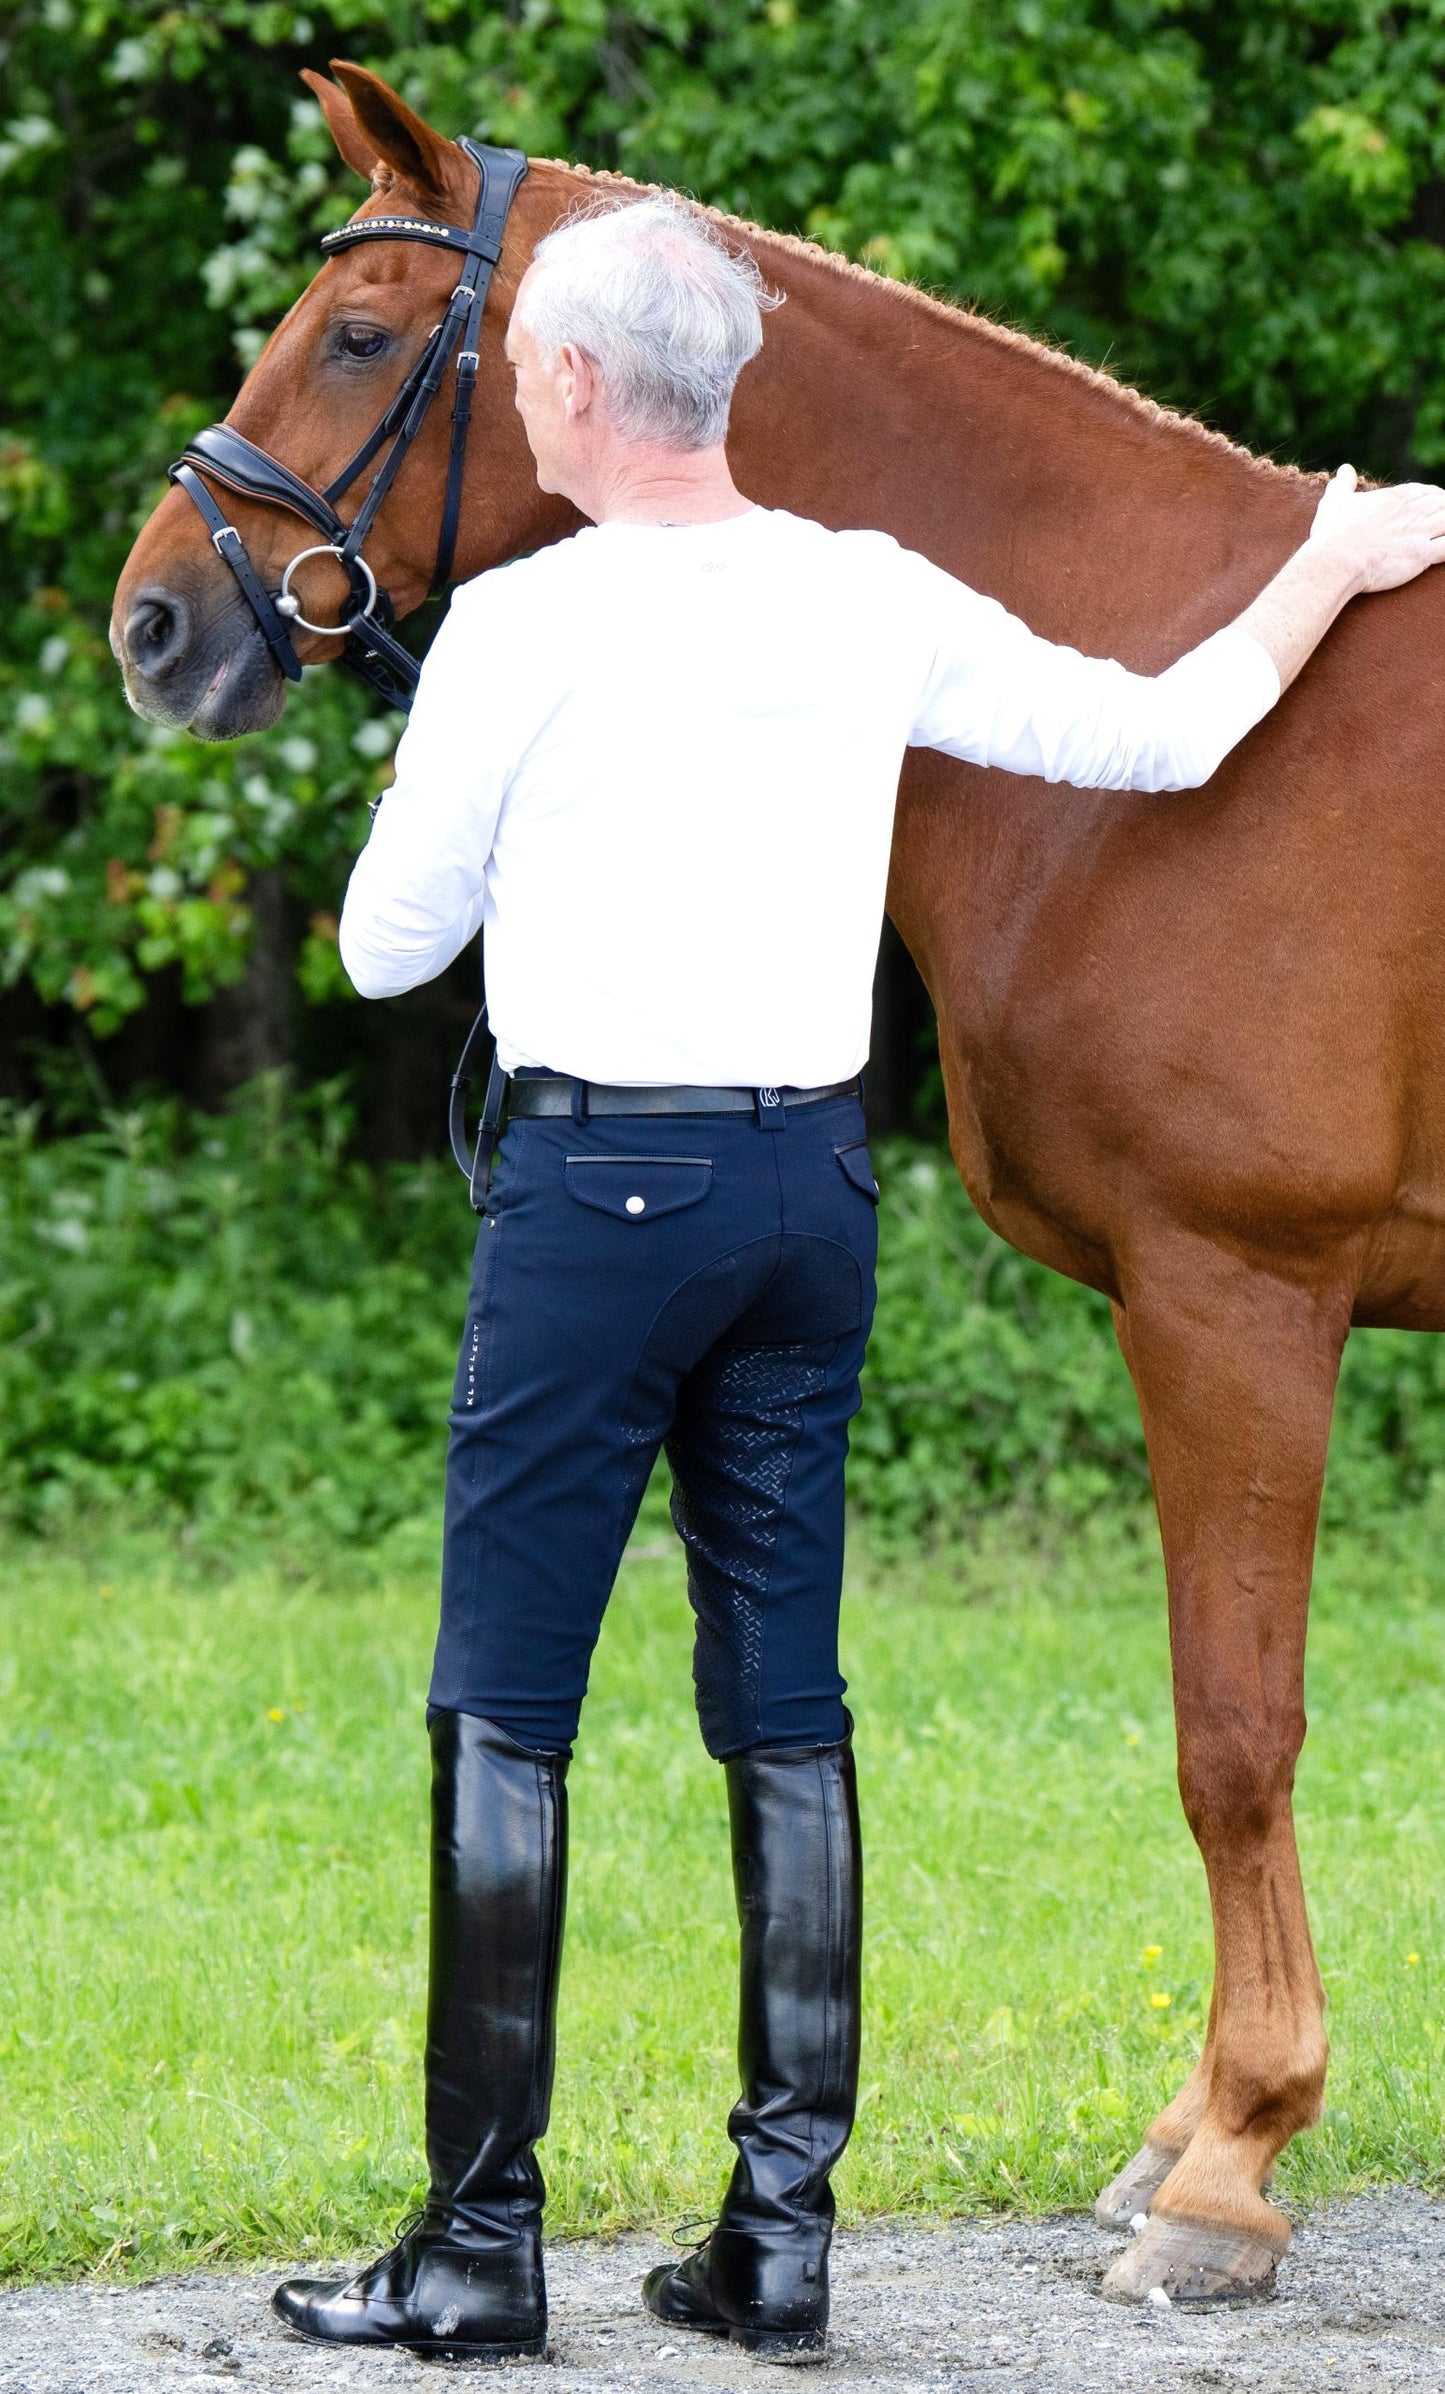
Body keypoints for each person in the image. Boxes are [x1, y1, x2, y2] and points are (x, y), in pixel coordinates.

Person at [271, 193, 1445, 2365]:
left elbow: (378, 948)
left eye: (526, 369)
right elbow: (1165, 735)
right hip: (804, 1201)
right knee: (786, 1705)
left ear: (577, 388)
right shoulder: (873, 592)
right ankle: (778, 2239)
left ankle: (476, 2244)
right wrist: (1328, 564)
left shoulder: (520, 633)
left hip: (597, 1204)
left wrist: (493, 779)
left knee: (509, 1701)